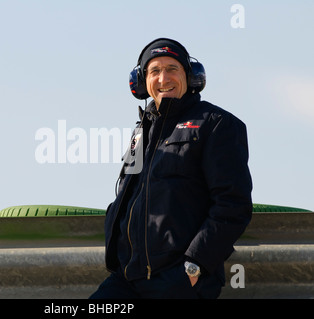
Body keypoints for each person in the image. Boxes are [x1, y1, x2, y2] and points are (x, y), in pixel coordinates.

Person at [90, 38, 253, 299]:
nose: (163, 78)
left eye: (172, 69)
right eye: (154, 71)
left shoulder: (217, 124)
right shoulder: (139, 134)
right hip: (127, 278)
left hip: (178, 281)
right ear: (142, 83)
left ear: (191, 77)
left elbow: (233, 205)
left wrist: (193, 267)